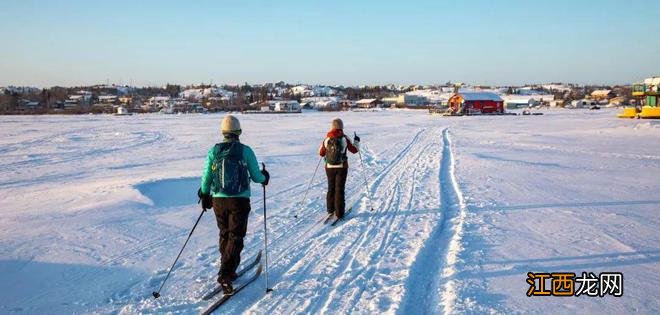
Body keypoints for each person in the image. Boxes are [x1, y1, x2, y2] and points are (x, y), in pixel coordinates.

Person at [198, 115, 269, 295]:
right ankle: (225, 273)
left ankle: (228, 268)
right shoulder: (245, 151)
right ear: (238, 132)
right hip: (239, 199)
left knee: (225, 234)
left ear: (223, 132)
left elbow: (206, 176)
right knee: (236, 237)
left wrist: (205, 193)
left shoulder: (214, 151)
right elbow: (256, 176)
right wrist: (264, 177)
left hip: (219, 200)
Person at [318, 118, 359, 220]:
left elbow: (321, 153)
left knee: (331, 188)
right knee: (339, 189)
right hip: (342, 167)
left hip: (329, 167)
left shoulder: (327, 138)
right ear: (341, 126)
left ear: (332, 126)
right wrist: (357, 141)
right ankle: (340, 213)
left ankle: (330, 210)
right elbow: (354, 150)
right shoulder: (344, 138)